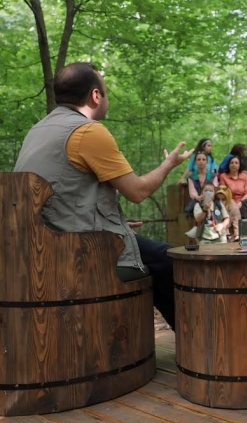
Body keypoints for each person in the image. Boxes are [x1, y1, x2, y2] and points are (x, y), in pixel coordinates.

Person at [13, 62, 193, 331]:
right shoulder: (87, 131)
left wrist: (117, 223)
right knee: (175, 262)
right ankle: (198, 347)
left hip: (38, 251)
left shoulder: (37, 131)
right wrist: (169, 165)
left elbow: (62, 197)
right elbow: (137, 191)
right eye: (106, 93)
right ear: (95, 96)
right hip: (80, 253)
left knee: (158, 254)